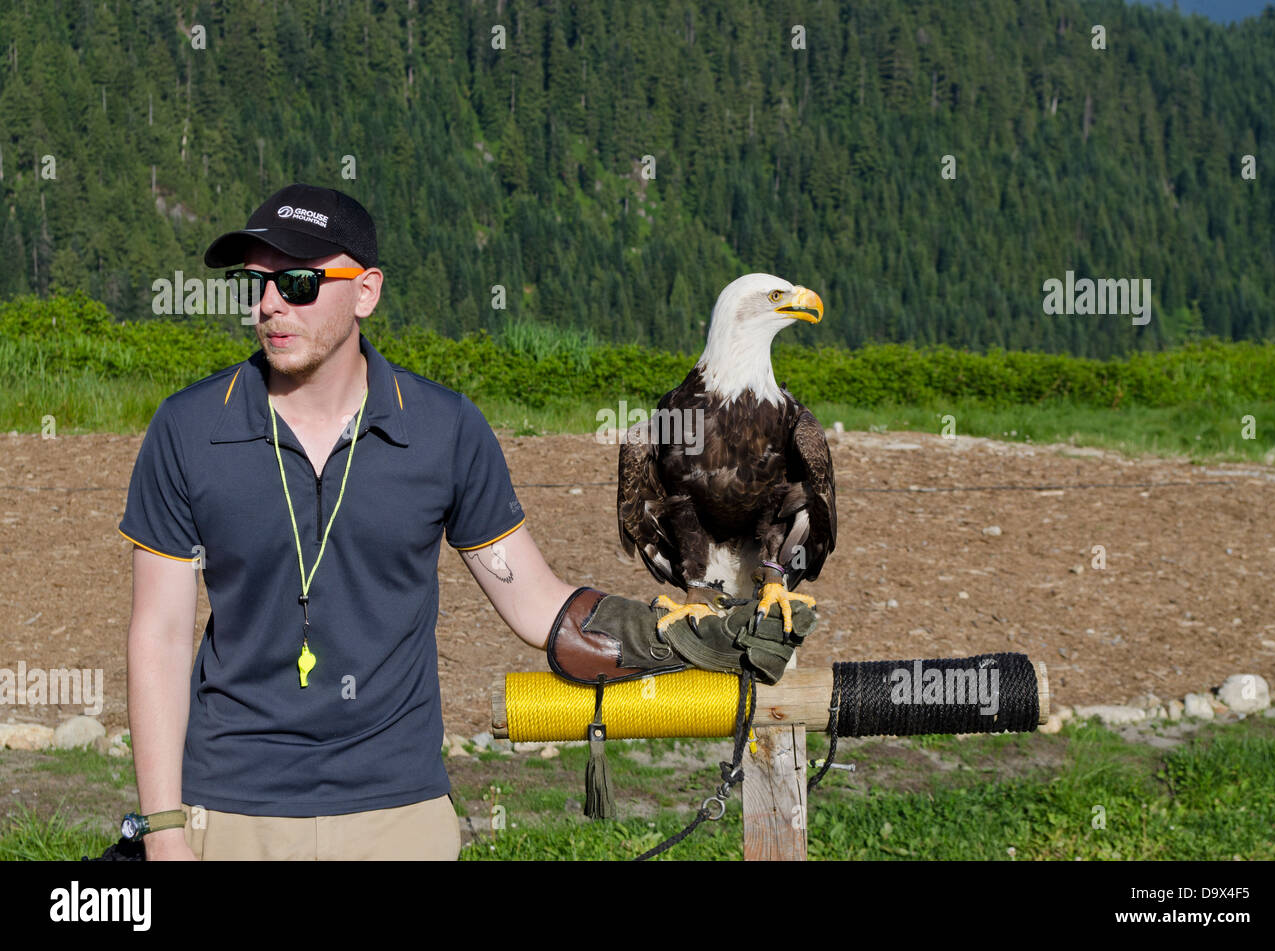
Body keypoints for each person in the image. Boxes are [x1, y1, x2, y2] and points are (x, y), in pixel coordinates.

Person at [119, 183, 810, 861]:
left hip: (399, 816)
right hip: (230, 814)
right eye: (256, 285)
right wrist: (164, 827)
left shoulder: (444, 430)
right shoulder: (187, 428)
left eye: (298, 282)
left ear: (366, 292)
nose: (270, 304)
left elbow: (537, 603)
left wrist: (678, 634)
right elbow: (161, 634)